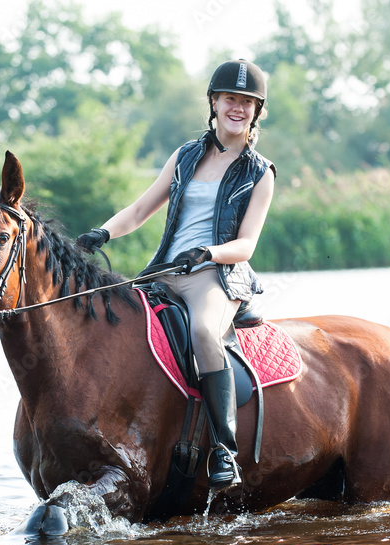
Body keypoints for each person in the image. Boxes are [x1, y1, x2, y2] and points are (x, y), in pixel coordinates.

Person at [76, 59, 276, 491]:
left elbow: (247, 245)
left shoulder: (261, 173)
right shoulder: (185, 156)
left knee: (205, 332)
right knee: (110, 318)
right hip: (165, 270)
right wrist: (103, 232)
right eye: (230, 99)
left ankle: (224, 450)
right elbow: (139, 210)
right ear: (214, 103)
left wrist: (208, 253)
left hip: (218, 276)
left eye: (246, 102)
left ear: (256, 111)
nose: (236, 108)